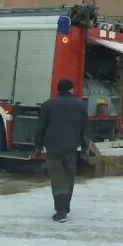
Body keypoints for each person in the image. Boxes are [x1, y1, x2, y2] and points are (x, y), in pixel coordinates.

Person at [34, 78, 89, 222]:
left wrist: (38, 146)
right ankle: (65, 205)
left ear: (58, 89)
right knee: (69, 175)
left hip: (53, 146)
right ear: (71, 89)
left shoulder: (48, 105)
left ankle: (61, 209)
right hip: (71, 145)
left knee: (58, 175)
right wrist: (85, 147)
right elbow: (85, 129)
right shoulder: (80, 105)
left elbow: (40, 127)